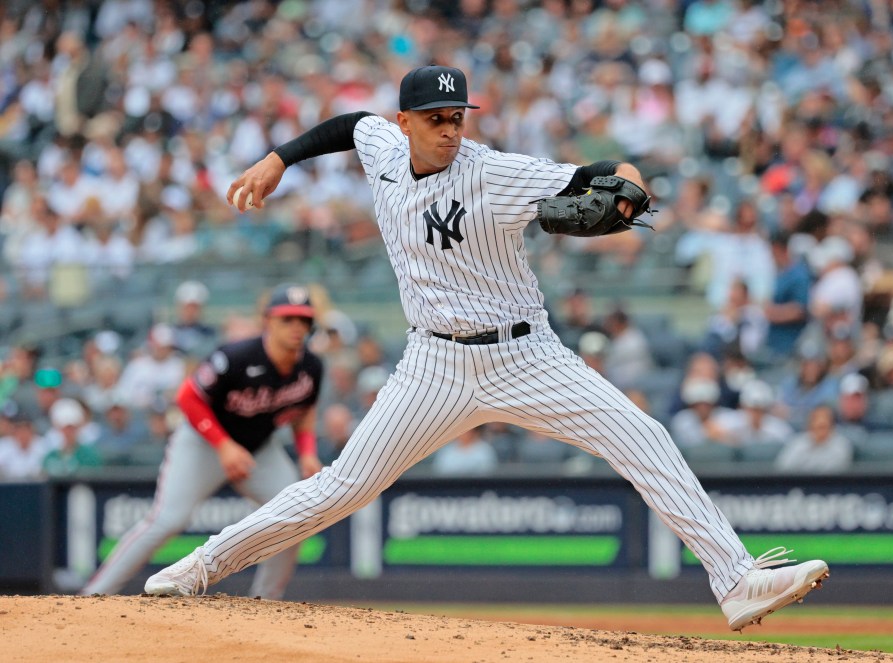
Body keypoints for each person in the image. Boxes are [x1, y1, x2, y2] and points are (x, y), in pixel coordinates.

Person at [144, 65, 828, 631]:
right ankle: (199, 567)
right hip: (433, 365)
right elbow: (348, 127)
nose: (450, 129)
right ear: (405, 122)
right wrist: (278, 158)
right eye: (437, 118)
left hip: (525, 356)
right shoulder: (383, 148)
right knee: (340, 488)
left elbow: (596, 174)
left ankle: (736, 578)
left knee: (642, 436)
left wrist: (628, 179)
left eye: (457, 117)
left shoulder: (493, 171)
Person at [81, 284, 324, 599]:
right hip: (204, 441)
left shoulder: (311, 367)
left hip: (258, 449)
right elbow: (188, 397)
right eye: (287, 319)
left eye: (303, 320)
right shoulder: (236, 356)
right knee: (168, 519)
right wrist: (223, 445)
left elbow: (304, 412)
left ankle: (267, 601)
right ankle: (92, 595)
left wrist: (307, 452)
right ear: (267, 321)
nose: (296, 327)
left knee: (295, 513)